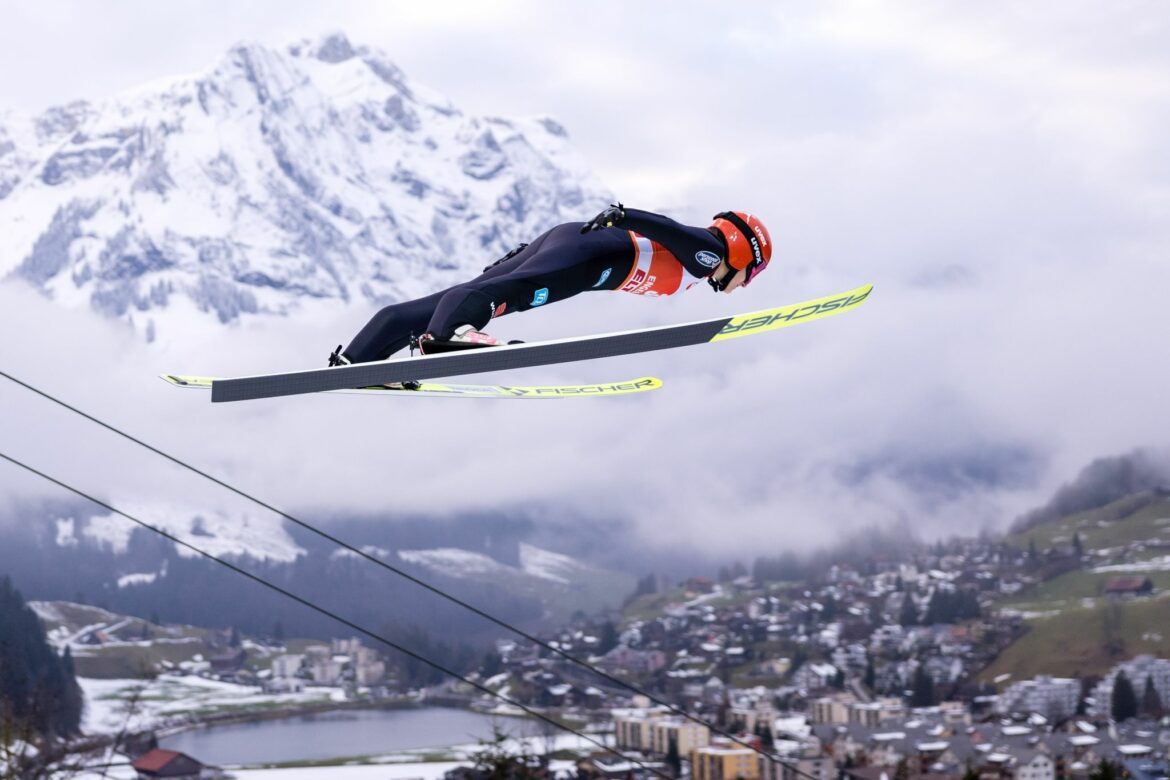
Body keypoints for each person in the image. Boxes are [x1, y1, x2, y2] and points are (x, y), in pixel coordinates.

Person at [329, 204, 773, 366]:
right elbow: (670, 228)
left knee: (485, 289)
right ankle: (449, 336)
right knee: (512, 294)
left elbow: (668, 230)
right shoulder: (709, 254)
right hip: (593, 255)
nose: (745, 283)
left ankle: (362, 356)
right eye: (751, 272)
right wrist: (626, 215)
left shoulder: (702, 257)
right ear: (741, 251)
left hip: (576, 242)